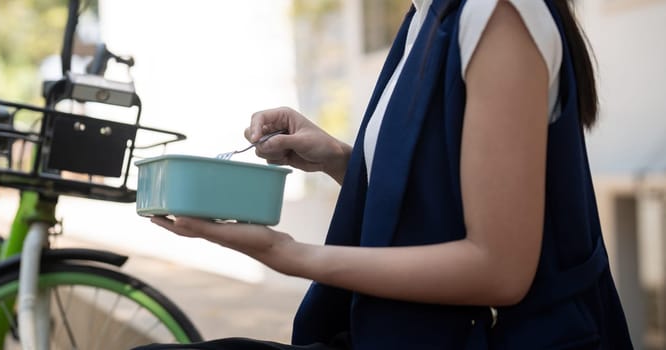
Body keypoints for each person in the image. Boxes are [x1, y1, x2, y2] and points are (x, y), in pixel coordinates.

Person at [138, 0, 633, 348]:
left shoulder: (497, 12)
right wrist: (336, 159)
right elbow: (447, 199)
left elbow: (499, 270)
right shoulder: (425, 16)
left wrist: (288, 254)